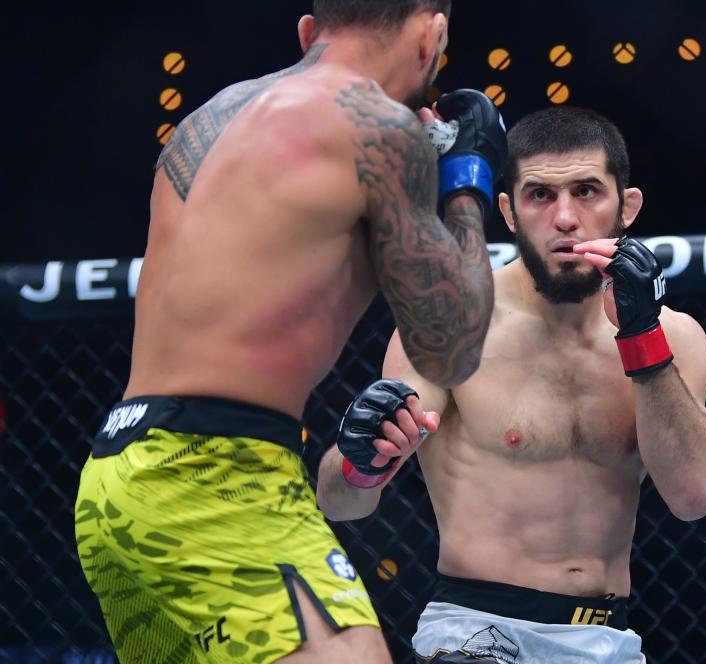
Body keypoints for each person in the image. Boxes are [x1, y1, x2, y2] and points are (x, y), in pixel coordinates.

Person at [74, 0, 508, 661]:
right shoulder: (379, 129)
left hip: (116, 477)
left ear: (310, 33)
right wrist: (467, 180)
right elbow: (452, 349)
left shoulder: (206, 123)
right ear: (432, 35)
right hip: (217, 478)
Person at [315, 106, 706, 663]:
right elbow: (341, 503)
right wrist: (360, 459)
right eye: (540, 195)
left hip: (610, 639)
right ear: (508, 211)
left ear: (626, 206)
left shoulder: (674, 336)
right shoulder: (454, 324)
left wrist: (642, 339)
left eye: (586, 192)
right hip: (474, 634)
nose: (565, 218)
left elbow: (694, 496)